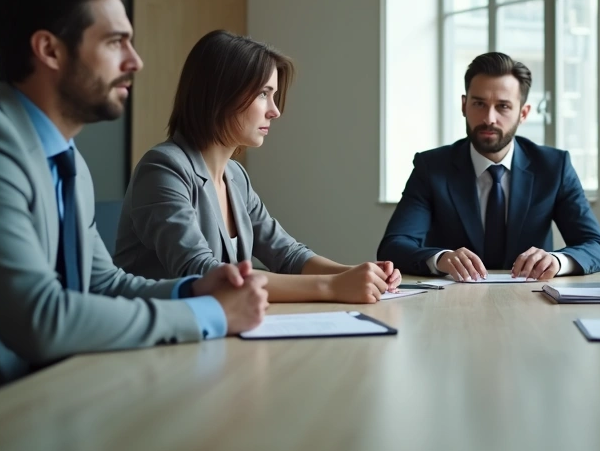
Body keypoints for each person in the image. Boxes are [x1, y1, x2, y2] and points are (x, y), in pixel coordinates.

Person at [0, 0, 268, 431]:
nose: (135, 61)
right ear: (50, 51)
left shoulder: (65, 159)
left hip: (34, 408)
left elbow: (105, 285)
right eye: (115, 42)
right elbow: (43, 319)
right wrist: (209, 314)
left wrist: (193, 287)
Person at [115, 30, 401, 303]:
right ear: (220, 94)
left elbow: (287, 255)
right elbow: (203, 274)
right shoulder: (163, 169)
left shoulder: (235, 176)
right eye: (264, 94)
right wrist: (332, 286)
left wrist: (357, 274)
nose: (274, 110)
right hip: (157, 342)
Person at [378, 52, 600, 281]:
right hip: (452, 304)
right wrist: (440, 259)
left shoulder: (553, 167)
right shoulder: (431, 167)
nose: (489, 118)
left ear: (523, 113)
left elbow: (598, 247)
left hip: (531, 303)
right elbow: (394, 246)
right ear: (463, 105)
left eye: (503, 106)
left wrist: (557, 262)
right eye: (479, 103)